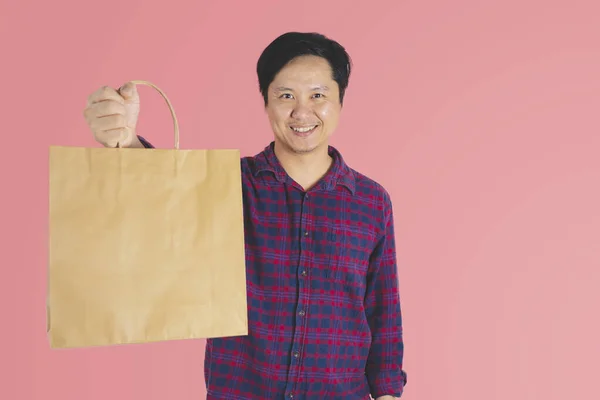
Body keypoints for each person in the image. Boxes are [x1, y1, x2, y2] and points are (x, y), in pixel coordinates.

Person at [83, 31, 407, 400]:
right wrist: (125, 140)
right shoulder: (227, 184)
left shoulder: (371, 201)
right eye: (285, 96)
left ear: (339, 102)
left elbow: (383, 311)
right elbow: (162, 199)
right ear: (266, 102)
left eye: (318, 95)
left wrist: (387, 393)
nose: (302, 112)